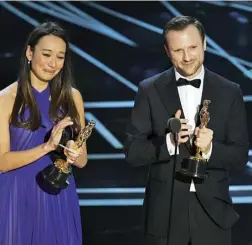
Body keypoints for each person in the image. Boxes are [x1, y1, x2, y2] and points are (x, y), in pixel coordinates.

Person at [124, 16, 249, 245]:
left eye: (192, 47)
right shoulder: (149, 90)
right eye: (178, 50)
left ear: (204, 44)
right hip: (165, 214)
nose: (187, 57)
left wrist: (210, 149)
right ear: (166, 51)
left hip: (213, 213)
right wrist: (169, 143)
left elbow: (240, 157)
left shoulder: (229, 92)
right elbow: (133, 152)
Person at [0, 22, 87, 245]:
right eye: (46, 54)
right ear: (29, 52)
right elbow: (2, 162)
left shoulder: (72, 97)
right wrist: (47, 147)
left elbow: (82, 160)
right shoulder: (6, 98)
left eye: (60, 57)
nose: (53, 63)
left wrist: (72, 153)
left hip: (58, 196)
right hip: (17, 196)